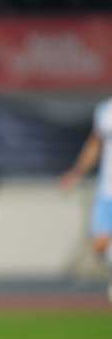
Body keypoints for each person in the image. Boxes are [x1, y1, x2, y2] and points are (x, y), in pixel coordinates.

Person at [60, 98, 112, 291]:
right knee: (99, 246)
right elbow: (94, 146)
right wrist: (76, 173)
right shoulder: (106, 111)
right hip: (108, 190)